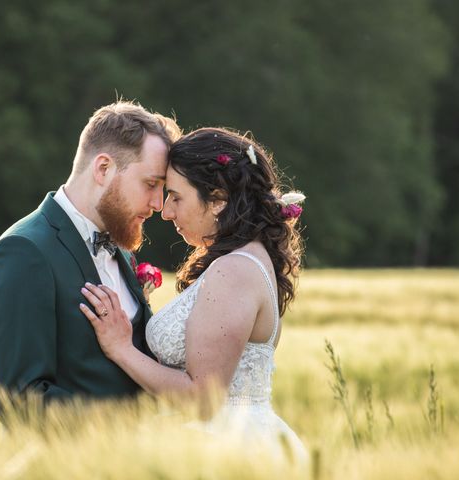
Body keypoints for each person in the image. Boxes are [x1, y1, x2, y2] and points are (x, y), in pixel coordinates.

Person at [79, 127, 308, 460]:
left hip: (228, 449)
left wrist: (121, 349)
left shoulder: (234, 270)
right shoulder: (246, 259)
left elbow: (203, 400)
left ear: (217, 201)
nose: (166, 211)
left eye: (176, 197)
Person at [0, 101, 181, 420]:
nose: (158, 204)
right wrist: (134, 427)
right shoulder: (23, 252)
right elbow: (21, 402)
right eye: (151, 184)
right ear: (103, 168)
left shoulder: (121, 247)